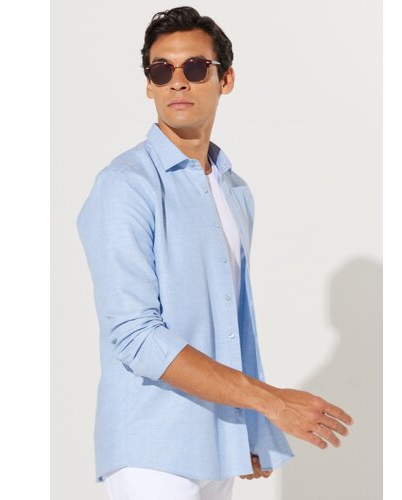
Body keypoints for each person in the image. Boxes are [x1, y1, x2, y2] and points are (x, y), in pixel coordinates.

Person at [76, 6, 354, 500]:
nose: (177, 82)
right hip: (152, 450)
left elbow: (231, 323)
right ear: (149, 86)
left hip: (216, 447)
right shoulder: (125, 185)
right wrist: (271, 403)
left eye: (194, 67)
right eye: (161, 70)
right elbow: (136, 336)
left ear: (225, 79)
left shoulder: (234, 189)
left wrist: (248, 429)